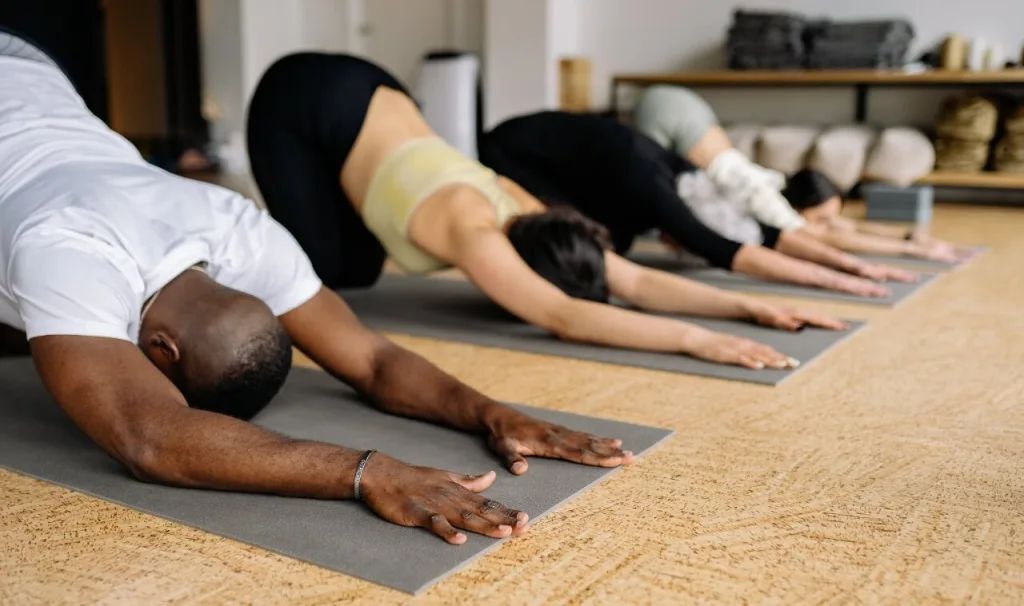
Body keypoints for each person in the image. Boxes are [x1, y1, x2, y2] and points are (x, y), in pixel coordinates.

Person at [0, 33, 635, 545]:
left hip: (34, 83)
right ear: (161, 352)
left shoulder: (237, 229)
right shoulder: (72, 253)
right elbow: (152, 435)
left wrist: (492, 413)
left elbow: (376, 360)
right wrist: (367, 473)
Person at [247, 53, 848, 374]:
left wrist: (746, 305)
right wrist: (697, 341)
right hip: (297, 96)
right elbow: (564, 314)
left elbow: (632, 278)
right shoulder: (471, 226)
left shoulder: (533, 210)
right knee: (330, 272)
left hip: (372, 84)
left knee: (360, 265)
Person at [478, 110, 915, 292]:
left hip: (590, 160)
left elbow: (767, 234)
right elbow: (731, 251)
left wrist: (854, 263)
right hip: (511, 150)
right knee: (583, 258)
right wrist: (838, 281)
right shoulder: (662, 198)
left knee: (620, 240)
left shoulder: (691, 179)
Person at [632, 85, 963, 264]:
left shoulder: (774, 183)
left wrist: (906, 235)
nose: (824, 224)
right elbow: (824, 236)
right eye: (820, 217)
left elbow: (836, 226)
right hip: (666, 114)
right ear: (801, 207)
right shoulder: (767, 201)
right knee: (647, 193)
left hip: (683, 106)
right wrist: (910, 252)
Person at [783, 169, 969, 262]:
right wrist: (912, 249)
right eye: (822, 219)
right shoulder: (781, 214)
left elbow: (850, 226)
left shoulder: (808, 210)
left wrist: (910, 235)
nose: (829, 222)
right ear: (797, 207)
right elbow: (832, 238)